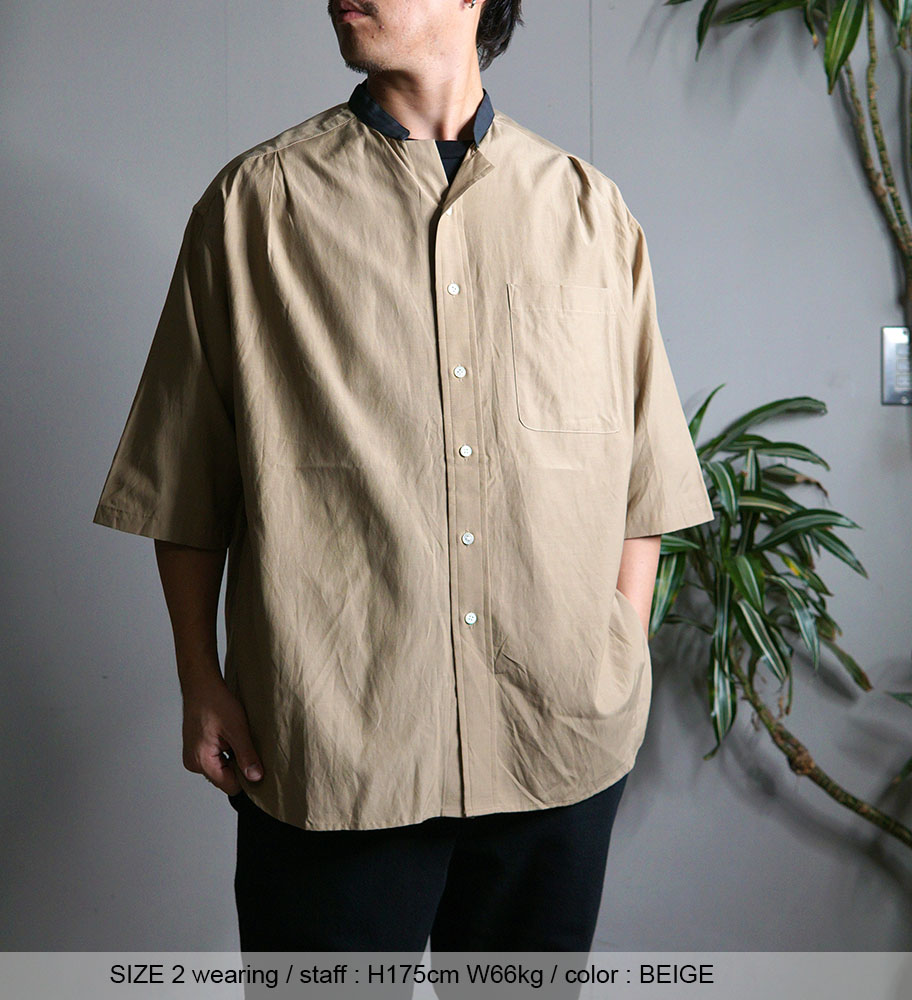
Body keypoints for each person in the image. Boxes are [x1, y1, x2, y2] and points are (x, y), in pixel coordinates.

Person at [92, 0, 714, 956]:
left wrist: (617, 659)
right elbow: (183, 474)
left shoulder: (590, 213)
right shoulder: (256, 205)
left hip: (555, 750)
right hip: (335, 752)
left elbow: (644, 475)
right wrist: (198, 677)